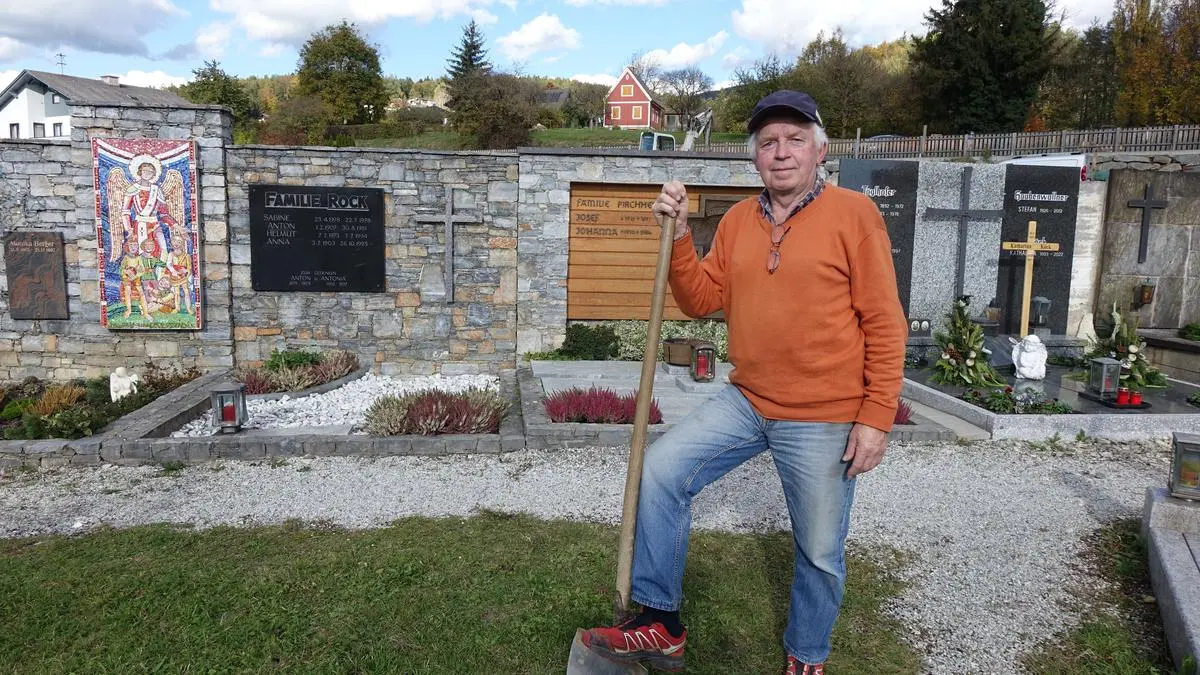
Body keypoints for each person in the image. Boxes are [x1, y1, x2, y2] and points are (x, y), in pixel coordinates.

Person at [579, 90, 907, 674]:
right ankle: (661, 625)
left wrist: (876, 416)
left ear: (820, 149)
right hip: (748, 400)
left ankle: (806, 656)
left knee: (820, 549)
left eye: (795, 139)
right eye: (768, 142)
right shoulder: (736, 220)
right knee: (661, 471)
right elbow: (702, 298)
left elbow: (885, 321)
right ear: (755, 156)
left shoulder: (855, 216)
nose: (781, 153)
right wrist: (680, 235)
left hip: (825, 414)